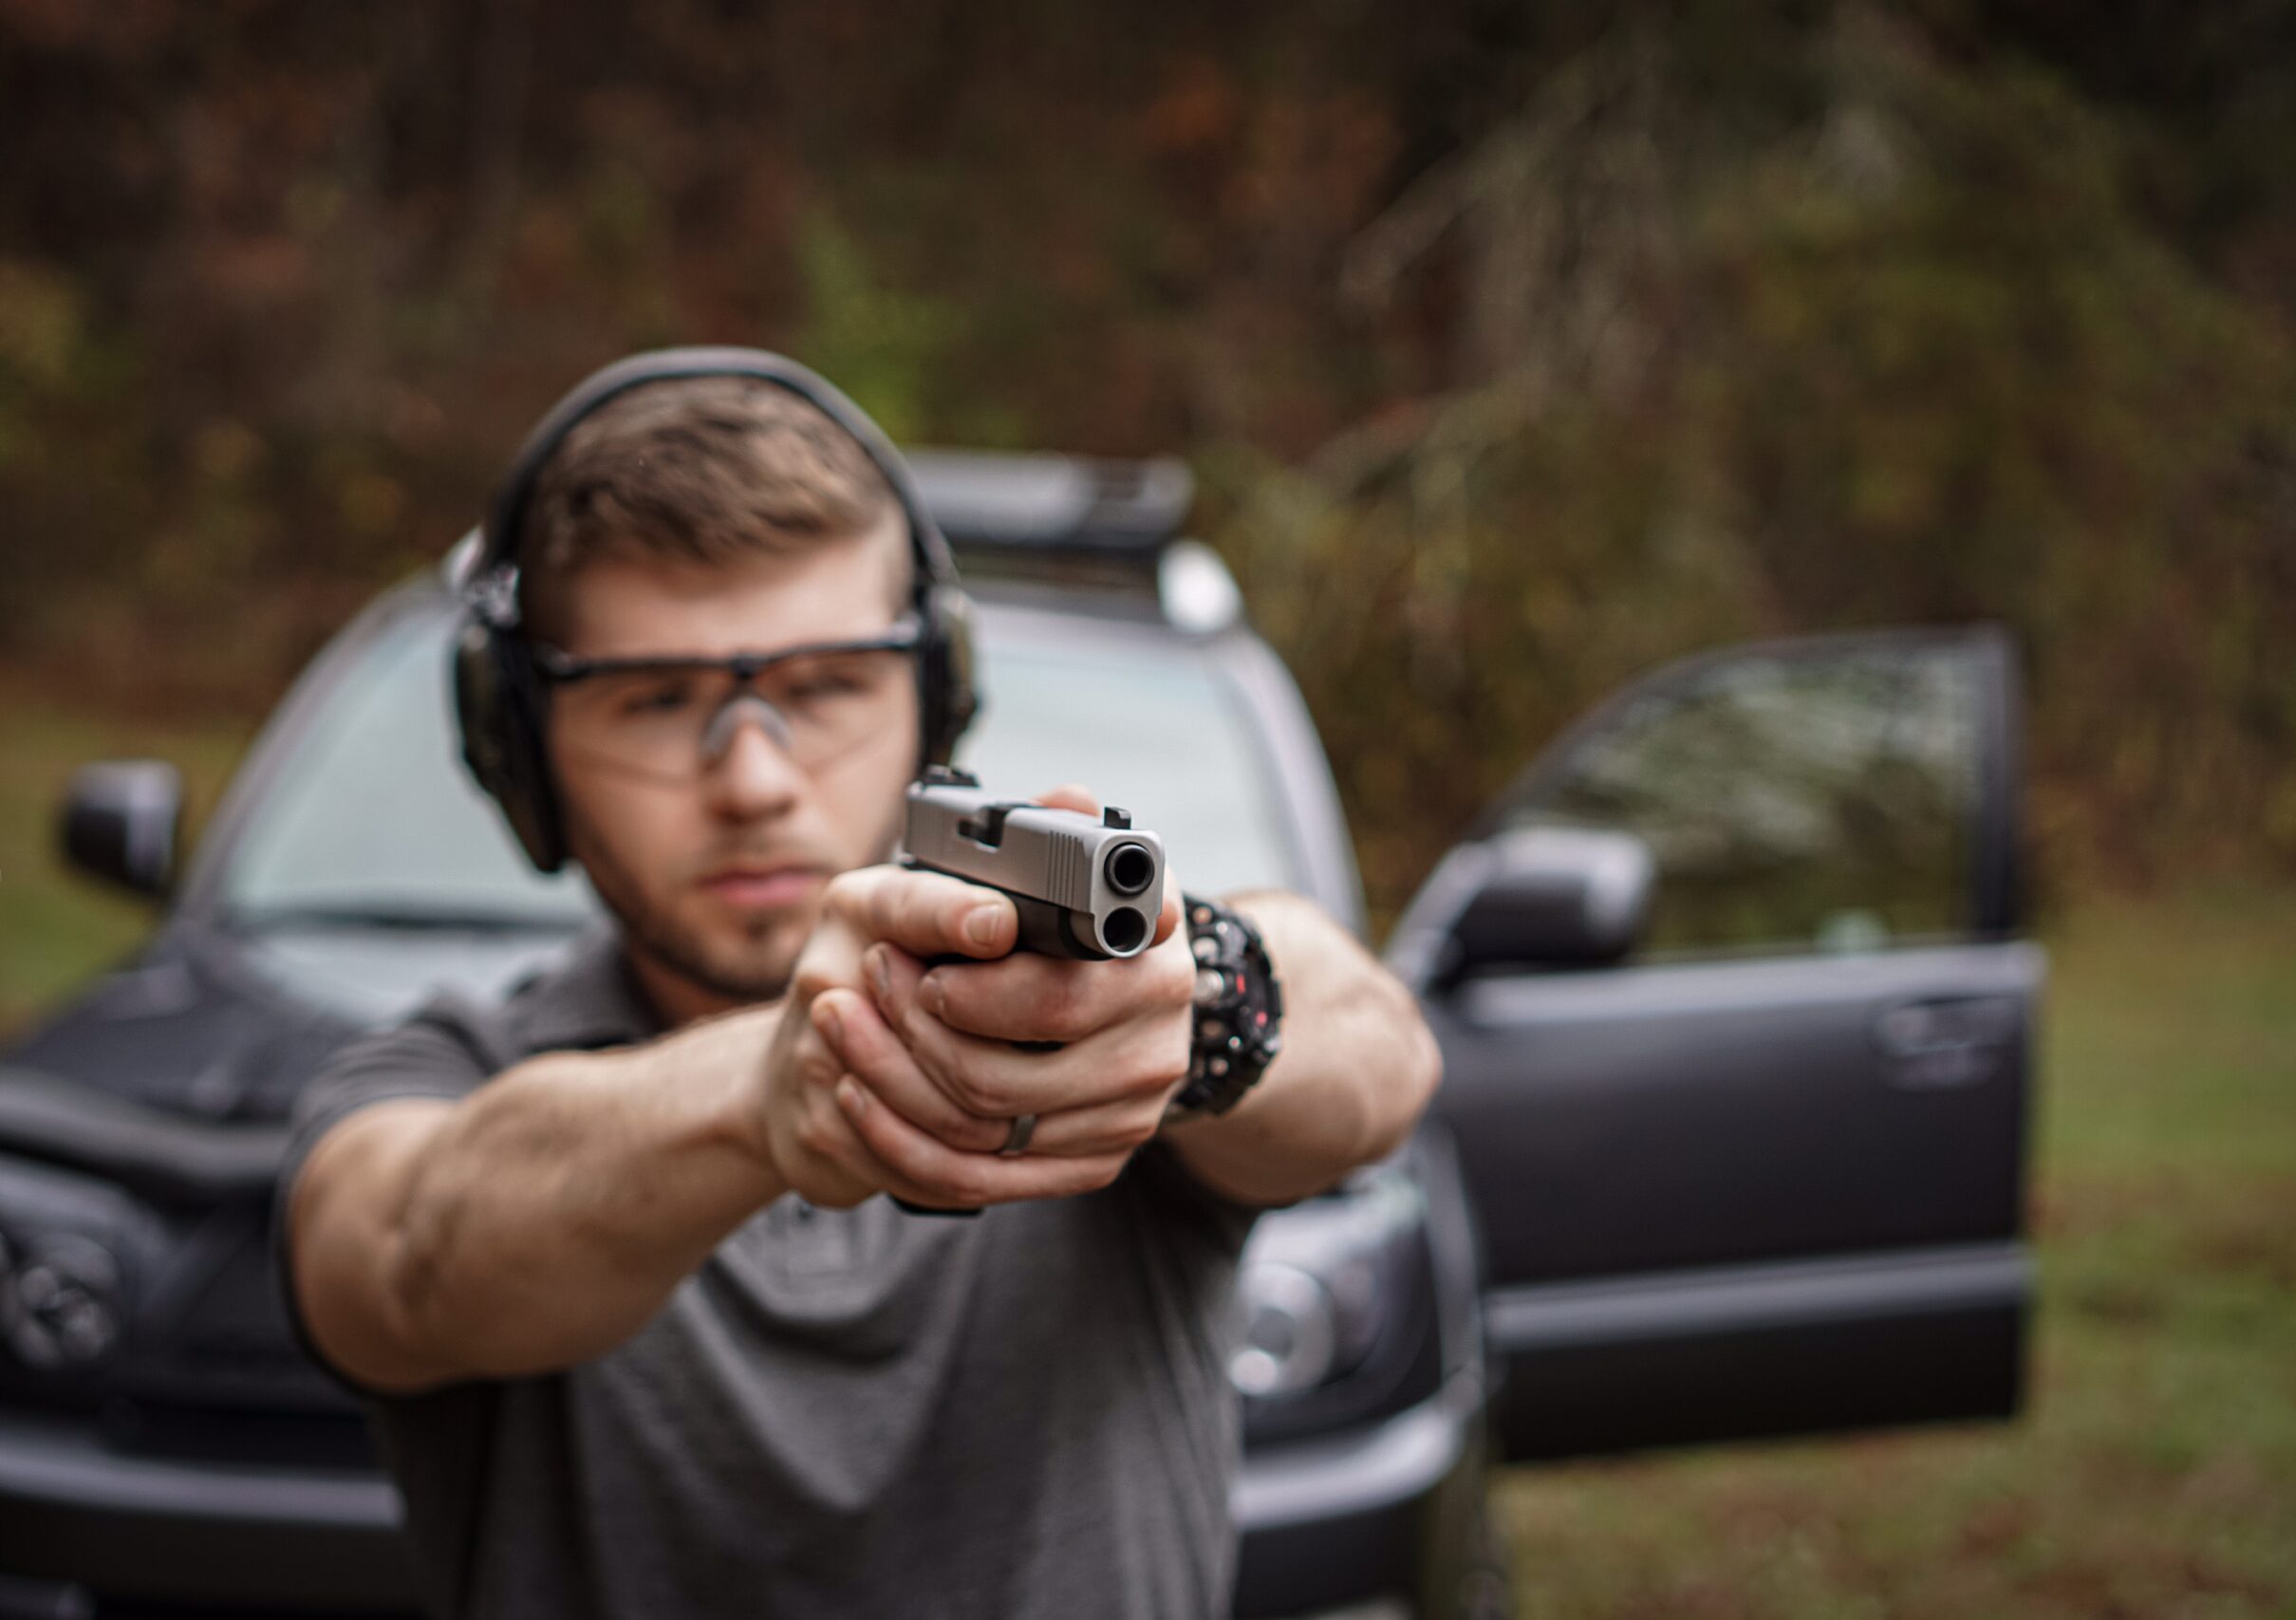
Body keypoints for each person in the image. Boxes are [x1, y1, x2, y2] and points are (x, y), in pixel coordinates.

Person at [275, 347, 1443, 1620]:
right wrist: (773, 1094)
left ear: (933, 700)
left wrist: (1204, 1003)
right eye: (657, 702)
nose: (757, 780)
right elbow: (404, 1254)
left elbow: (1378, 1052)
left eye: (826, 685)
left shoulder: (1114, 1029)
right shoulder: (432, 1073)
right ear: (524, 750)